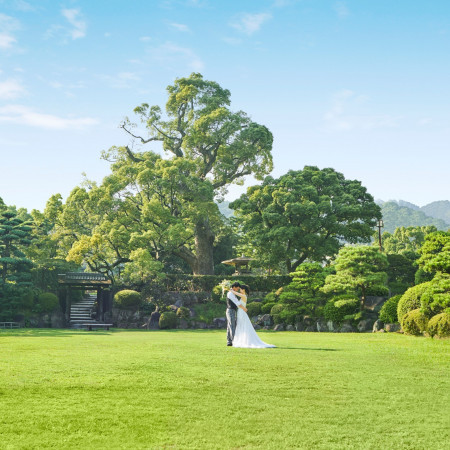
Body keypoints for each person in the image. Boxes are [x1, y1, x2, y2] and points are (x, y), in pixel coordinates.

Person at [232, 285, 276, 349]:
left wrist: (230, 290)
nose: (240, 290)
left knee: (243, 326)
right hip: (240, 312)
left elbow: (236, 294)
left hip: (242, 313)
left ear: (243, 290)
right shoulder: (242, 296)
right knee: (240, 325)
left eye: (241, 289)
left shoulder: (244, 296)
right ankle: (241, 339)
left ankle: (245, 340)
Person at [226, 282, 247, 346]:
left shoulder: (232, 292)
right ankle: (233, 341)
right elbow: (237, 303)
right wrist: (244, 308)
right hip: (231, 310)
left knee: (230, 326)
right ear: (234, 287)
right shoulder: (230, 293)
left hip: (231, 310)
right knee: (232, 325)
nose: (238, 290)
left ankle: (229, 341)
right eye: (237, 288)